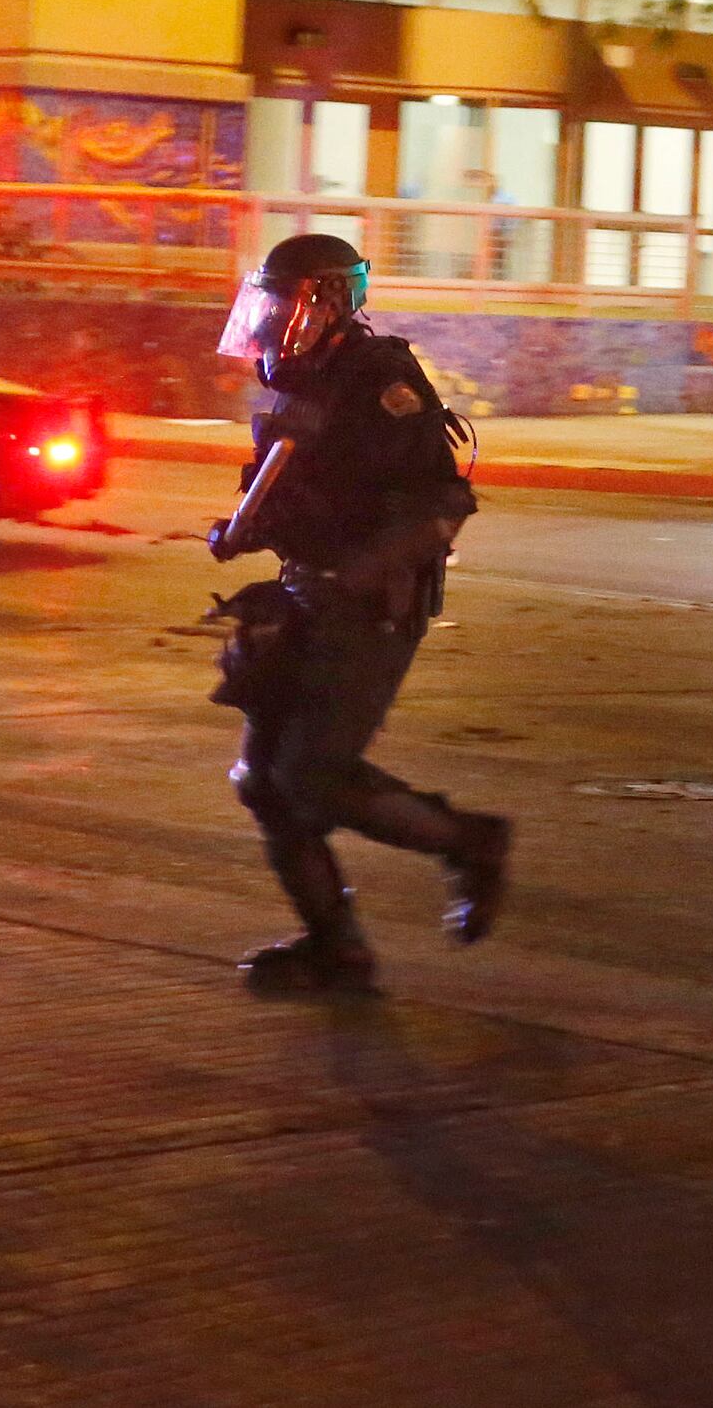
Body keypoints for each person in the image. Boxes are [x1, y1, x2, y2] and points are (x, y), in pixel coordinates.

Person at [207, 232, 511, 992]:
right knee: (262, 780)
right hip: (302, 590)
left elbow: (441, 502)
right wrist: (245, 529)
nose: (270, 319)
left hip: (371, 605)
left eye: (283, 303)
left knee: (312, 774)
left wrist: (356, 572)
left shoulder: (381, 378)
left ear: (328, 299)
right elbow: (290, 486)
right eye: (265, 302)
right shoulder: (295, 378)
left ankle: (468, 843)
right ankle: (334, 948)